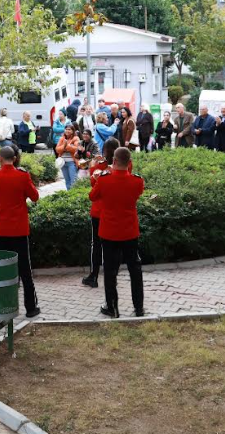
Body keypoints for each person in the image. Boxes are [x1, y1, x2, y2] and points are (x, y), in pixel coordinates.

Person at [0, 145, 42, 318]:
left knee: (0, 270)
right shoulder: (22, 176)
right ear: (15, 159)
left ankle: (1, 306)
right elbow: (35, 197)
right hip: (18, 229)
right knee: (25, 269)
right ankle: (31, 307)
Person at [90, 147, 145, 318]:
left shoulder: (104, 180)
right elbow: (137, 193)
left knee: (110, 270)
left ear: (113, 161)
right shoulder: (137, 181)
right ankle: (139, 307)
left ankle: (112, 307)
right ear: (130, 163)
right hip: (129, 231)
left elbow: (92, 196)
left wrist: (97, 178)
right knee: (134, 269)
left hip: (109, 231)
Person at [83, 137, 119, 288]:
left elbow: (93, 185)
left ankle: (94, 276)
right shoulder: (123, 165)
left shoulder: (101, 166)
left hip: (99, 211)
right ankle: (112, 275)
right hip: (115, 211)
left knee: (96, 244)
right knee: (113, 244)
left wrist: (93, 166)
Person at [56, 124, 81, 189]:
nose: (67, 131)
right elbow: (57, 150)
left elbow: (76, 149)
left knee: (73, 181)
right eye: (66, 129)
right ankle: (68, 193)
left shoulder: (76, 138)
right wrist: (65, 146)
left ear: (73, 131)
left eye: (69, 129)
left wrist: (66, 146)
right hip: (63, 163)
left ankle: (74, 194)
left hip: (72, 163)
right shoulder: (62, 138)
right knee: (67, 181)